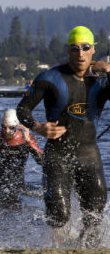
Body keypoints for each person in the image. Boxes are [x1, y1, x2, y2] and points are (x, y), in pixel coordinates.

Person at [16, 26, 110, 247]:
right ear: (68, 51)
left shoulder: (102, 81)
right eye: (75, 48)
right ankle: (57, 248)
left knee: (95, 214)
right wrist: (37, 126)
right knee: (59, 213)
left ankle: (89, 249)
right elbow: (22, 110)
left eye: (85, 48)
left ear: (93, 50)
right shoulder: (49, 78)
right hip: (58, 154)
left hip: (88, 154)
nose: (80, 53)